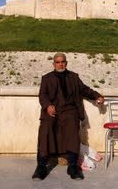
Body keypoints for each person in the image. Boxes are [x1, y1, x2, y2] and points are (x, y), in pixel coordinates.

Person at [32, 52, 105, 181]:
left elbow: (84, 89)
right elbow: (42, 95)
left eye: (63, 62)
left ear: (66, 63)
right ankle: (41, 166)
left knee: (72, 127)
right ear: (53, 64)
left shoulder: (73, 77)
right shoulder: (46, 78)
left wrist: (97, 96)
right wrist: (48, 106)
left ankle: (73, 166)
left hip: (69, 110)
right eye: (58, 62)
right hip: (52, 111)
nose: (61, 64)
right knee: (45, 128)